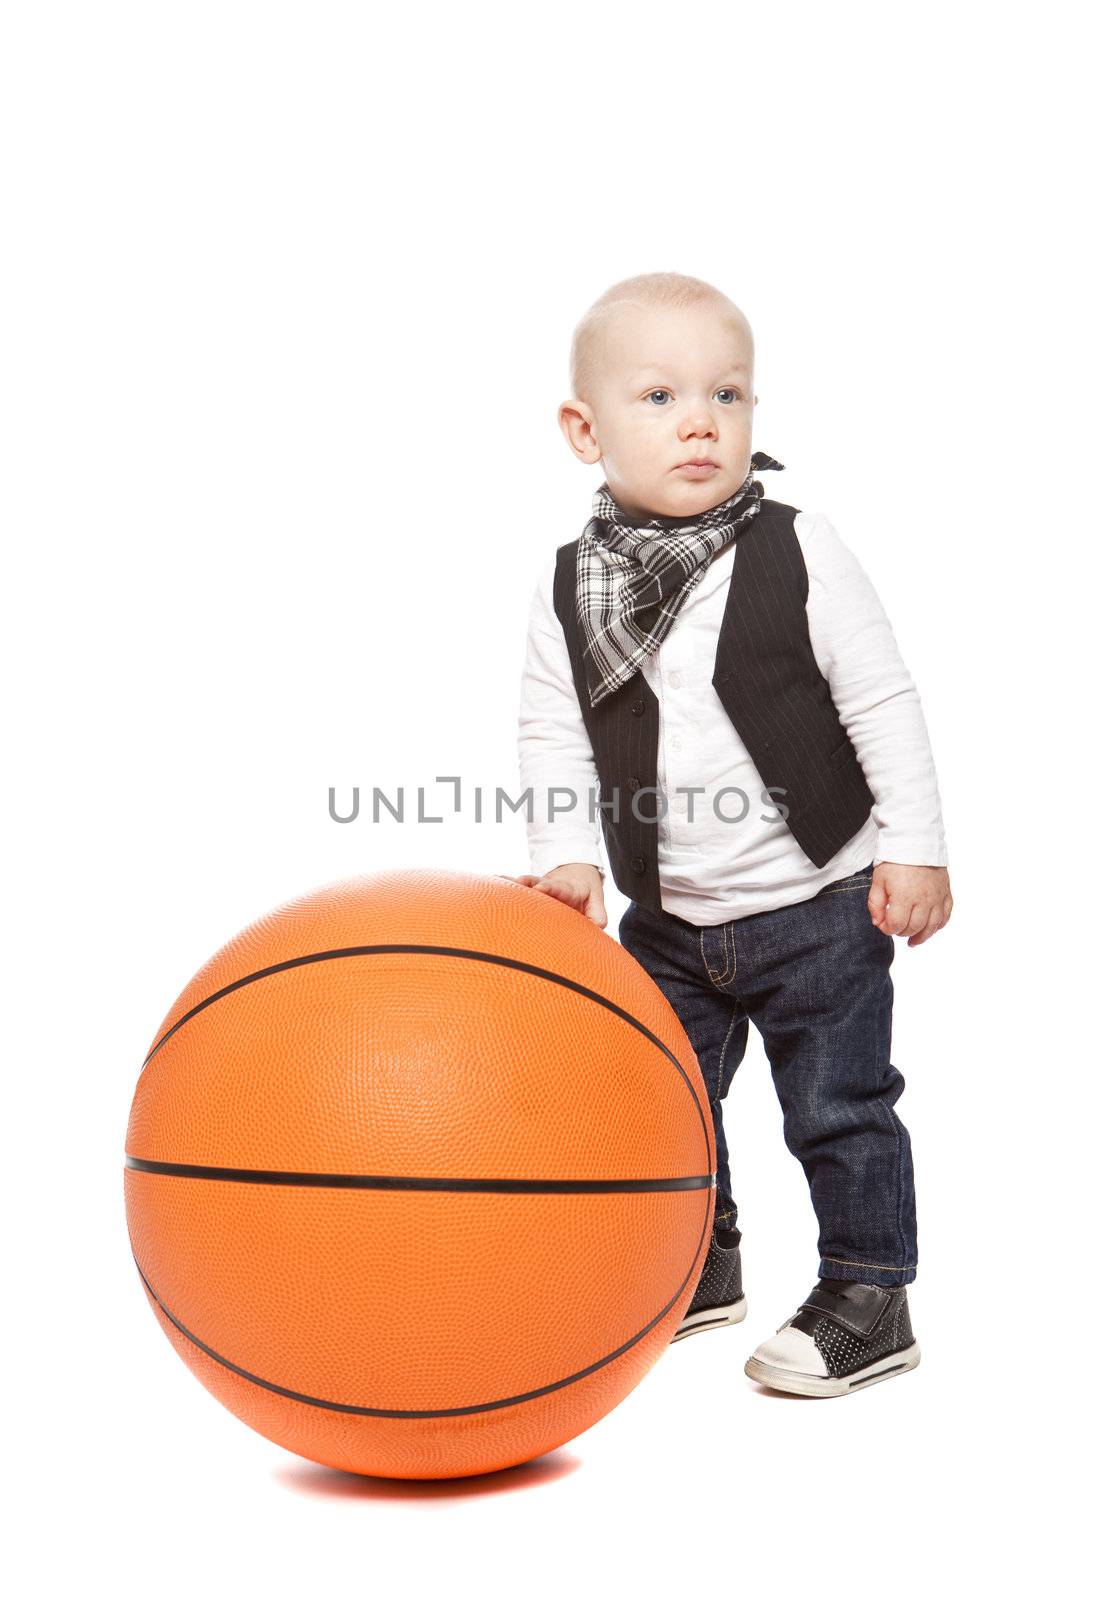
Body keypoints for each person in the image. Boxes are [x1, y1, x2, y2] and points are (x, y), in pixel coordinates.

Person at [507, 271, 953, 1397]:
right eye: (657, 395)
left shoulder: (799, 548)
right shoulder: (574, 587)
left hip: (818, 903)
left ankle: (868, 1290)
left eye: (728, 393)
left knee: (839, 1106)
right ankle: (697, 1265)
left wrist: (916, 846)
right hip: (671, 915)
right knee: (656, 1102)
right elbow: (553, 730)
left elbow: (882, 700)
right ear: (584, 427)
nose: (701, 420)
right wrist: (566, 855)